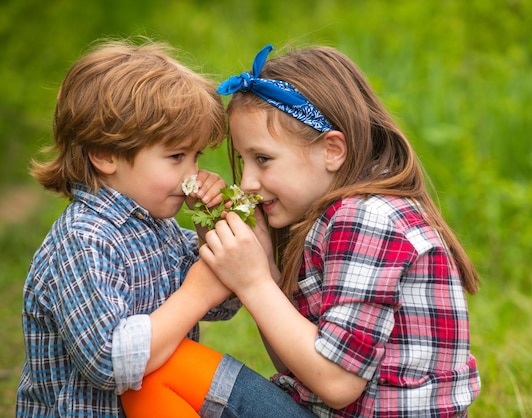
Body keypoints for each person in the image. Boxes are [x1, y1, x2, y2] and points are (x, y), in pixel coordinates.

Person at [199, 44, 482, 417]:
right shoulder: (339, 216)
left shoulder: (366, 218)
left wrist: (254, 283)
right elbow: (298, 369)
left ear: (332, 150)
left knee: (182, 370)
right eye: (243, 160)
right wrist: (265, 264)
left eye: (263, 159)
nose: (248, 181)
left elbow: (336, 383)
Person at [16, 39, 238, 417]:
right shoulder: (84, 239)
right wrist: (196, 293)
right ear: (105, 155)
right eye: (176, 156)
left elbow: (224, 303)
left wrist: (210, 232)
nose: (193, 174)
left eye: (196, 156)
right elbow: (108, 361)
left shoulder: (157, 227)